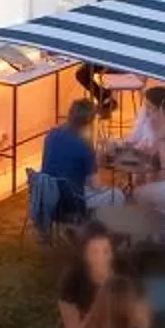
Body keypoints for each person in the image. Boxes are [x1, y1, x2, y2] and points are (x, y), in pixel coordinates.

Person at [55, 223, 121, 328]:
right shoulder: (71, 281)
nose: (101, 259)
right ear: (83, 254)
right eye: (94, 252)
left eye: (106, 251)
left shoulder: (122, 271)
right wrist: (101, 299)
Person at [34, 98, 99, 231]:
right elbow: (95, 185)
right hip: (71, 203)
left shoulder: (51, 134)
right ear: (90, 122)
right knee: (117, 195)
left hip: (46, 197)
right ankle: (93, 233)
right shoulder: (85, 145)